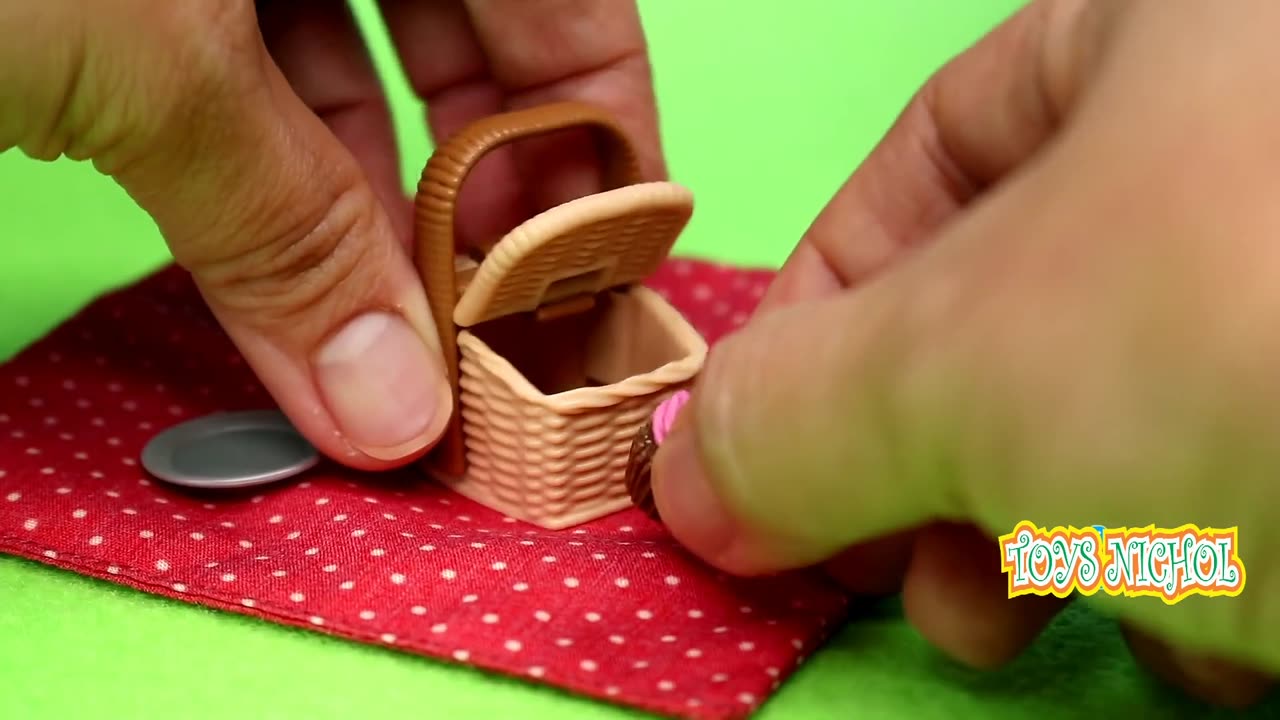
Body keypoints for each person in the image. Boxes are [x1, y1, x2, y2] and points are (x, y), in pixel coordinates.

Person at [3, 0, 1275, 709]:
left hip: (1187, 546)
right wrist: (1225, 557)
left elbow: (1207, 556)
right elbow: (1210, 567)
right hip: (1198, 554)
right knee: (1089, 571)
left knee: (1056, 570)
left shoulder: (1198, 505)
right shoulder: (1199, 540)